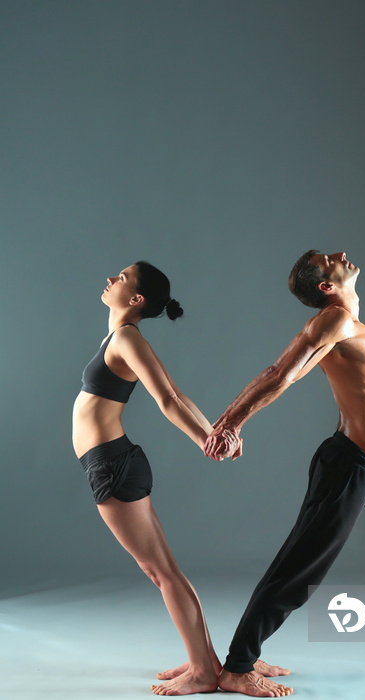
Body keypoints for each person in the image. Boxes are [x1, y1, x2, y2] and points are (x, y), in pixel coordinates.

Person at [205, 250, 365, 698]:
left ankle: (243, 655)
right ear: (327, 286)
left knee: (296, 562)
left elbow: (281, 372)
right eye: (330, 260)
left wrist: (229, 419)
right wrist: (231, 423)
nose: (341, 255)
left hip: (348, 461)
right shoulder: (333, 320)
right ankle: (237, 668)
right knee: (301, 568)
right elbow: (279, 374)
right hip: (347, 462)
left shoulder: (341, 324)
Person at [72, 260, 238, 696]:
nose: (110, 278)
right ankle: (206, 661)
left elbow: (168, 397)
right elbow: (175, 394)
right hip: (111, 462)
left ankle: (204, 673)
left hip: (112, 464)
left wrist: (208, 438)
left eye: (121, 278)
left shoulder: (126, 337)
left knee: (161, 572)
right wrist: (215, 433)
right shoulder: (119, 336)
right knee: (164, 571)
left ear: (136, 299)